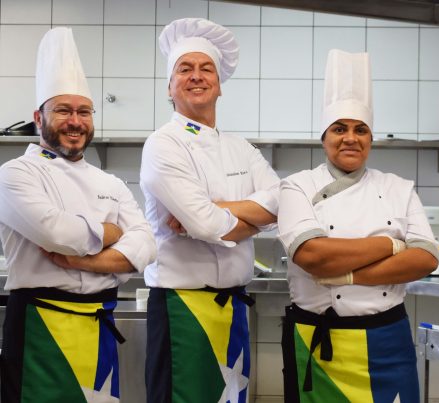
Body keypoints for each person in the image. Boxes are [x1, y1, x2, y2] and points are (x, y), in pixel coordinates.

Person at [0, 27, 156, 402]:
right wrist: (111, 232)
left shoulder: (109, 182)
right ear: (39, 117)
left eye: (84, 111)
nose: (75, 121)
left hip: (99, 323)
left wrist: (82, 261)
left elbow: (147, 244)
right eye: (63, 111)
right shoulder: (15, 174)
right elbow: (57, 234)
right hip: (41, 324)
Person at [277, 49, 439, 403]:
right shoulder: (297, 186)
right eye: (340, 129)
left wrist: (348, 276)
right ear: (324, 138)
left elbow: (426, 258)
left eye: (360, 130)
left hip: (387, 341)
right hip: (321, 342)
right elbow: (314, 257)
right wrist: (391, 246)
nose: (350, 138)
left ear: (370, 139)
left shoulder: (398, 187)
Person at [140, 18, 280, 403]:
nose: (196, 76)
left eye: (206, 69)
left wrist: (218, 212)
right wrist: (251, 218)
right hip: (180, 309)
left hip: (233, 307)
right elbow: (204, 224)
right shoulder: (163, 144)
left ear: (219, 85)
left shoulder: (240, 148)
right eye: (185, 68)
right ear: (170, 86)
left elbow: (279, 202)